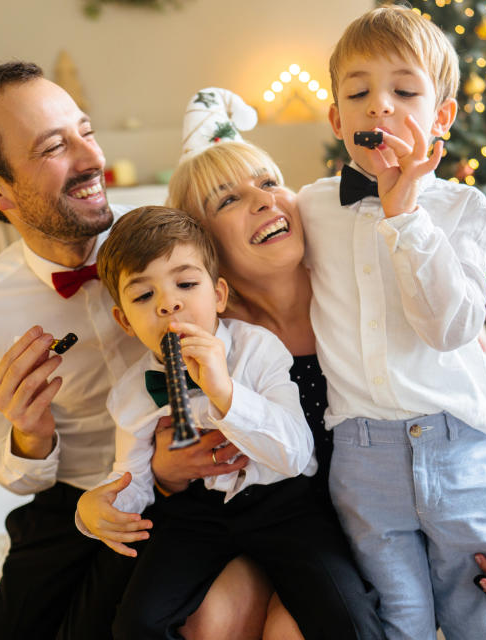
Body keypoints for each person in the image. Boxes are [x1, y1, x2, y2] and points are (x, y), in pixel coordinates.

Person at [0, 62, 279, 640]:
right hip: (71, 501)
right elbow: (10, 471)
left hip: (188, 495)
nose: (92, 158)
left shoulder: (177, 244)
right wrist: (29, 435)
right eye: (53, 147)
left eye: (85, 131)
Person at [167, 123, 486, 640]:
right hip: (268, 520)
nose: (262, 200)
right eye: (229, 198)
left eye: (270, 182)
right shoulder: (218, 343)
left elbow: (452, 412)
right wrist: (166, 469)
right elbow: (168, 448)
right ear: (203, 244)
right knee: (210, 623)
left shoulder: (366, 299)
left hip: (369, 511)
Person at [300, 5, 486, 638]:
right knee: (398, 623)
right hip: (363, 458)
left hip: (459, 451)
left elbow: (450, 330)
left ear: (440, 116)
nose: (380, 107)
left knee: (481, 615)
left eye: (404, 90)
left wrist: (405, 215)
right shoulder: (311, 206)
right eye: (359, 92)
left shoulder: (465, 210)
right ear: (337, 118)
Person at [76, 206, 382, 639]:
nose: (168, 303)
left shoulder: (259, 350)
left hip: (285, 505)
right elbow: (133, 476)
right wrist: (97, 510)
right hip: (194, 515)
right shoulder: (131, 394)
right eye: (144, 297)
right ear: (124, 320)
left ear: (218, 294)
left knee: (348, 618)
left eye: (185, 283)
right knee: (135, 625)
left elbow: (295, 453)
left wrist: (226, 394)